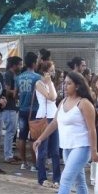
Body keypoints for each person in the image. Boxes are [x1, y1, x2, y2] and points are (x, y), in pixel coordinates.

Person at [35, 71, 98, 194]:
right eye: (64, 83)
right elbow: (55, 123)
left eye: (69, 83)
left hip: (81, 147)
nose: (65, 85)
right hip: (67, 147)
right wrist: (40, 138)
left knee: (65, 179)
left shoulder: (84, 103)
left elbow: (92, 129)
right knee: (79, 181)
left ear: (77, 86)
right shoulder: (63, 101)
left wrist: (94, 151)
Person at [34, 59, 60, 187]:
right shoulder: (39, 83)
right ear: (44, 72)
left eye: (53, 71)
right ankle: (42, 178)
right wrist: (48, 82)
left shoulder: (51, 84)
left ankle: (56, 179)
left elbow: (54, 97)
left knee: (55, 150)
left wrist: (50, 83)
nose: (53, 73)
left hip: (54, 117)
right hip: (43, 117)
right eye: (51, 71)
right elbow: (51, 97)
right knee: (42, 151)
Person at [16, 52, 42, 171]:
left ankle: (23, 162)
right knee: (34, 138)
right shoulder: (37, 77)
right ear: (33, 63)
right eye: (36, 62)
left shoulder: (19, 77)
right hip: (34, 110)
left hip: (21, 110)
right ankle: (34, 164)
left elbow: (16, 93)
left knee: (22, 136)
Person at [3, 56, 22, 164]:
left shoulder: (14, 75)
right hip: (9, 107)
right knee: (10, 131)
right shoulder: (8, 74)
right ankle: (8, 155)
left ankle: (9, 153)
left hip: (13, 107)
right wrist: (16, 92)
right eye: (19, 64)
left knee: (12, 131)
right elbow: (6, 91)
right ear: (14, 65)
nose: (20, 66)